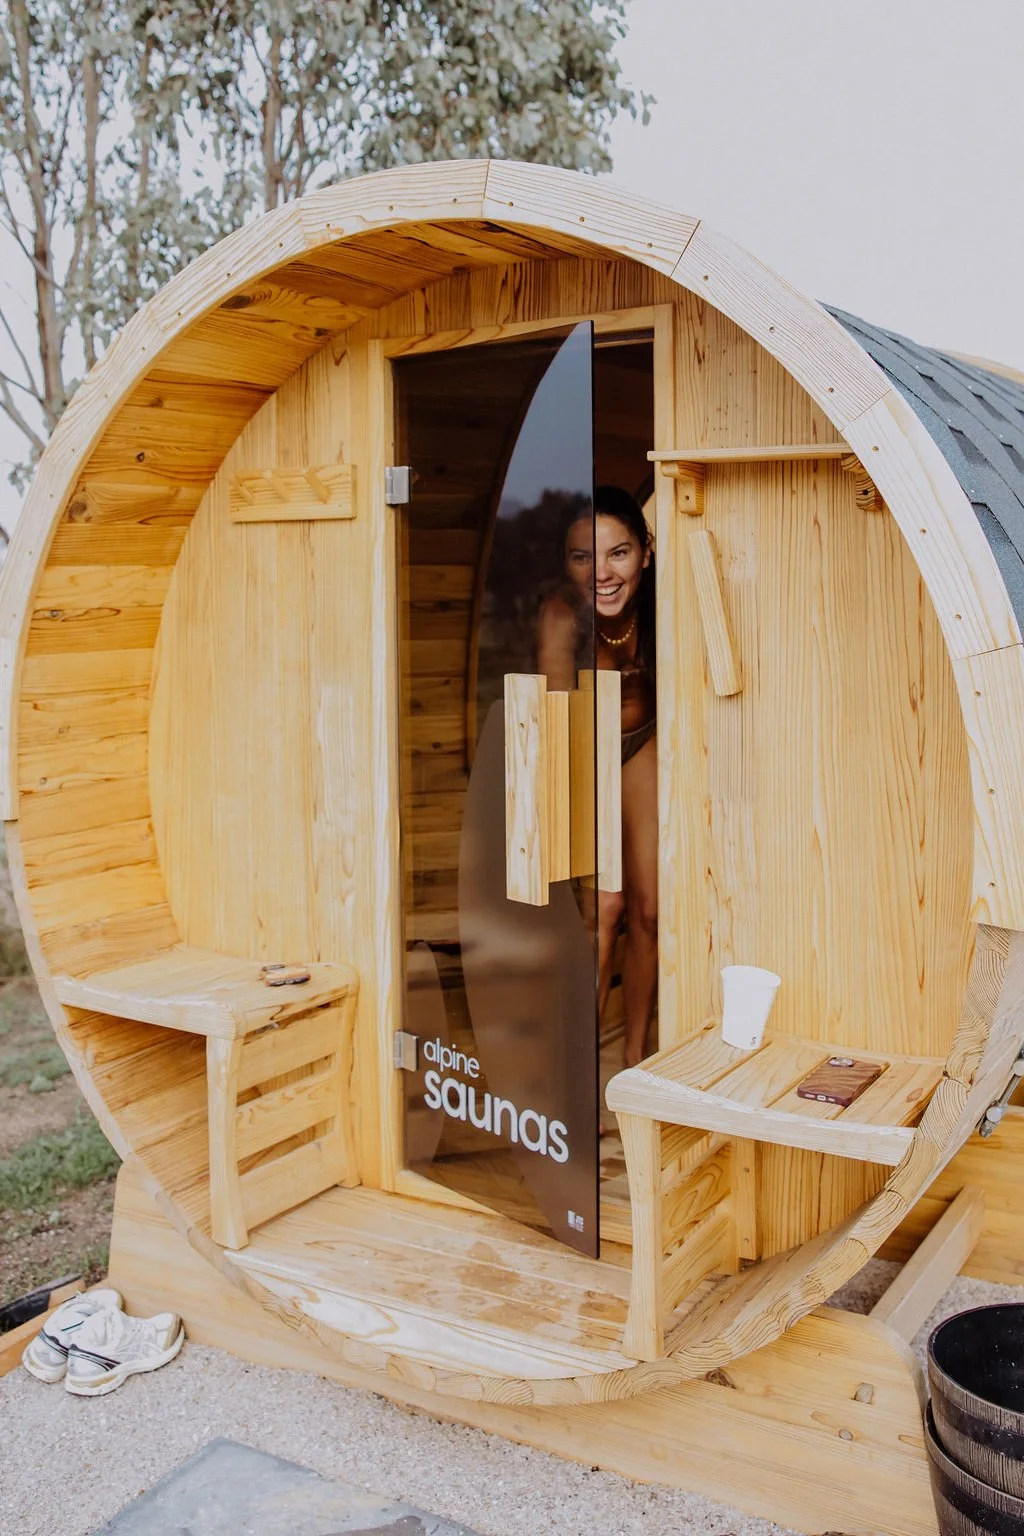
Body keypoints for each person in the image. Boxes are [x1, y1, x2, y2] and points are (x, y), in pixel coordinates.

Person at [536, 485, 657, 1068]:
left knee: (651, 909)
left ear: (646, 553)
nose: (602, 572)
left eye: (618, 552)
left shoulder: (660, 603)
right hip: (584, 749)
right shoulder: (562, 616)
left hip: (642, 743)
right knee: (604, 908)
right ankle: (579, 1063)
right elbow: (562, 733)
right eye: (584, 556)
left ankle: (635, 1056)